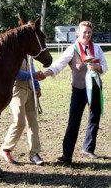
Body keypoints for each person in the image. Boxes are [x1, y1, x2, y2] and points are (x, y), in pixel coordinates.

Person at [39, 21, 108, 164]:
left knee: (94, 119)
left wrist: (98, 66)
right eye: (84, 32)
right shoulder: (72, 49)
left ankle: (88, 149)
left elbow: (105, 67)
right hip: (78, 89)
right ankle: (67, 155)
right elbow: (59, 65)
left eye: (89, 32)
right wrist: (46, 73)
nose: (87, 34)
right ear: (78, 33)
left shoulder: (96, 48)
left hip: (95, 88)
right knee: (73, 122)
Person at [0, 20, 45, 165]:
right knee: (19, 121)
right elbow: (16, 74)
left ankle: (34, 153)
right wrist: (33, 76)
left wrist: (36, 86)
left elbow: (31, 69)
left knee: (33, 123)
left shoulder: (29, 53)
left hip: (30, 88)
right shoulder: (13, 53)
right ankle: (6, 149)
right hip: (17, 89)